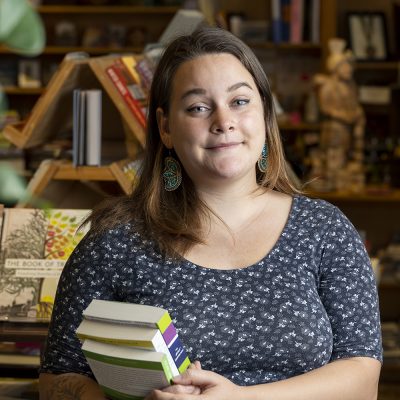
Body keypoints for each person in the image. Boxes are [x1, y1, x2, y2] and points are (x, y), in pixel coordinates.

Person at [39, 27, 382, 400]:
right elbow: (57, 377)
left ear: (265, 115)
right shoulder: (116, 239)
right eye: (198, 107)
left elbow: (363, 377)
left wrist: (241, 398)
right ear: (166, 127)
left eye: (239, 102)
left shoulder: (325, 230)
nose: (223, 121)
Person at [312, 38, 366, 192]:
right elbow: (325, 108)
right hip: (334, 128)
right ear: (336, 68)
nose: (349, 69)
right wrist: (346, 115)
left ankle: (342, 179)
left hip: (347, 128)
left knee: (346, 151)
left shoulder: (351, 87)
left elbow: (354, 105)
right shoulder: (327, 86)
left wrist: (357, 114)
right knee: (333, 155)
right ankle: (331, 179)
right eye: (345, 66)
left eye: (350, 66)